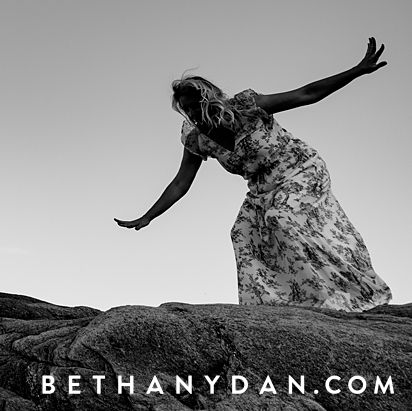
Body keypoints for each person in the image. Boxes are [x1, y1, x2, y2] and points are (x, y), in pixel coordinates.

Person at [115, 38, 392, 311]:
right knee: (243, 233)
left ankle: (347, 289)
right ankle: (277, 306)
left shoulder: (246, 107)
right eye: (184, 109)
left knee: (281, 217)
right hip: (262, 189)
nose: (190, 113)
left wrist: (356, 70)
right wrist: (149, 215)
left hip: (299, 169)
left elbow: (307, 94)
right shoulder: (197, 139)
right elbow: (180, 183)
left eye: (193, 105)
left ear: (208, 99)